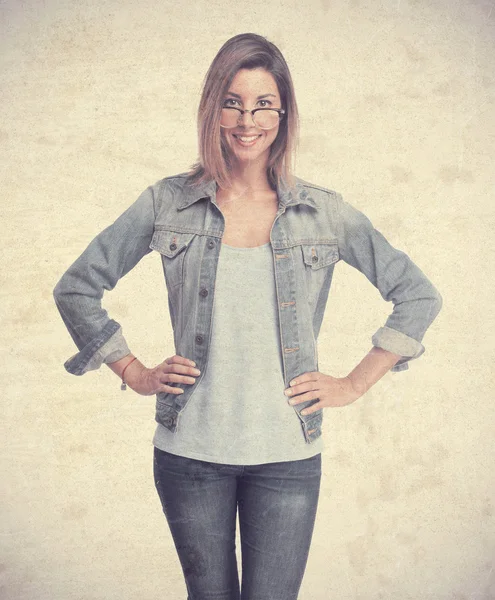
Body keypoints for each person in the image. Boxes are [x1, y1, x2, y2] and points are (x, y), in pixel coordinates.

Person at [53, 32, 442, 600]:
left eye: (263, 104)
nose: (247, 119)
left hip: (287, 455)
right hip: (190, 454)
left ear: (283, 114)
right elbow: (77, 288)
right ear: (213, 110)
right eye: (232, 102)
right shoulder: (168, 203)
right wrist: (133, 372)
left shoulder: (322, 212)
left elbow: (418, 295)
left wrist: (354, 384)